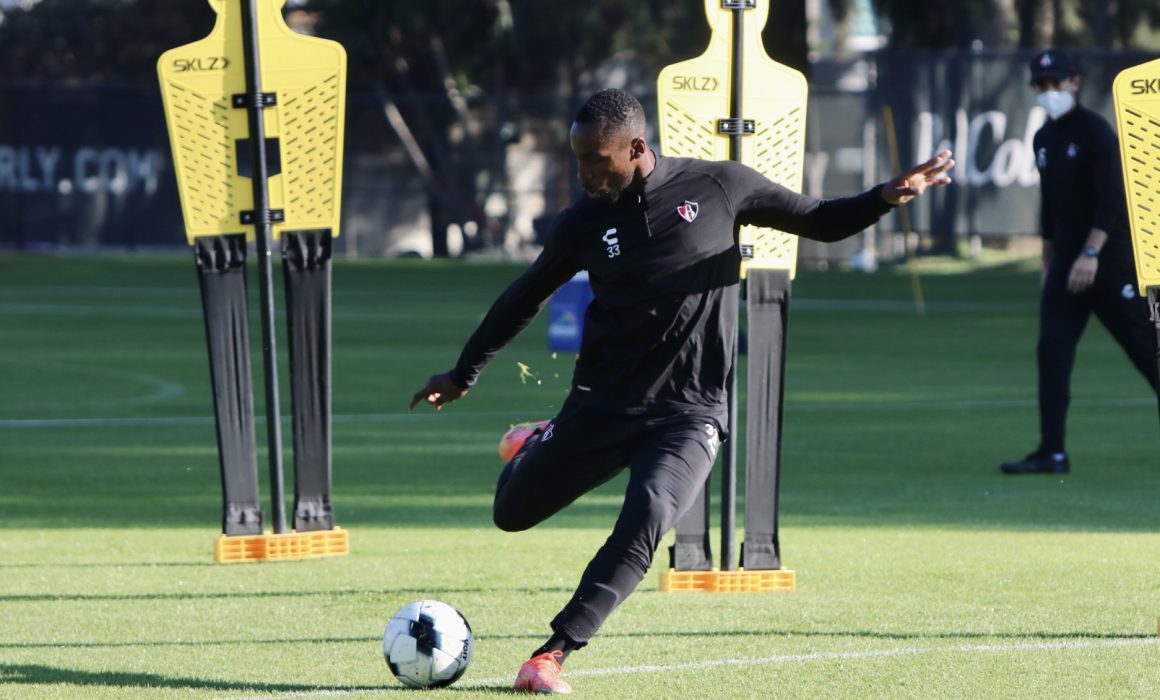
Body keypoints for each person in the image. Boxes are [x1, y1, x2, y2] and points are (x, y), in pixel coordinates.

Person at [409, 88, 954, 693]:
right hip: (601, 402)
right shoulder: (583, 222)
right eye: (579, 160)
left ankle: (551, 656)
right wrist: (463, 374)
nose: (585, 174)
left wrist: (885, 195)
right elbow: (524, 295)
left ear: (636, 148)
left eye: (597, 160)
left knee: (648, 516)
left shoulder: (719, 186)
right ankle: (540, 438)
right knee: (510, 514)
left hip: (689, 413)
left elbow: (819, 219)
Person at [999, 51, 1160, 475]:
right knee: (1051, 355)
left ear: (1075, 82)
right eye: (1041, 85)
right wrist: (1048, 262)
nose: (1048, 92)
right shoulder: (1044, 139)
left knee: (1150, 354)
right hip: (1066, 267)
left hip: (1108, 264)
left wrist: (1091, 253)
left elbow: (1113, 198)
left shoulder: (1096, 132)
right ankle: (1052, 452)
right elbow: (1050, 209)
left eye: (1055, 82)